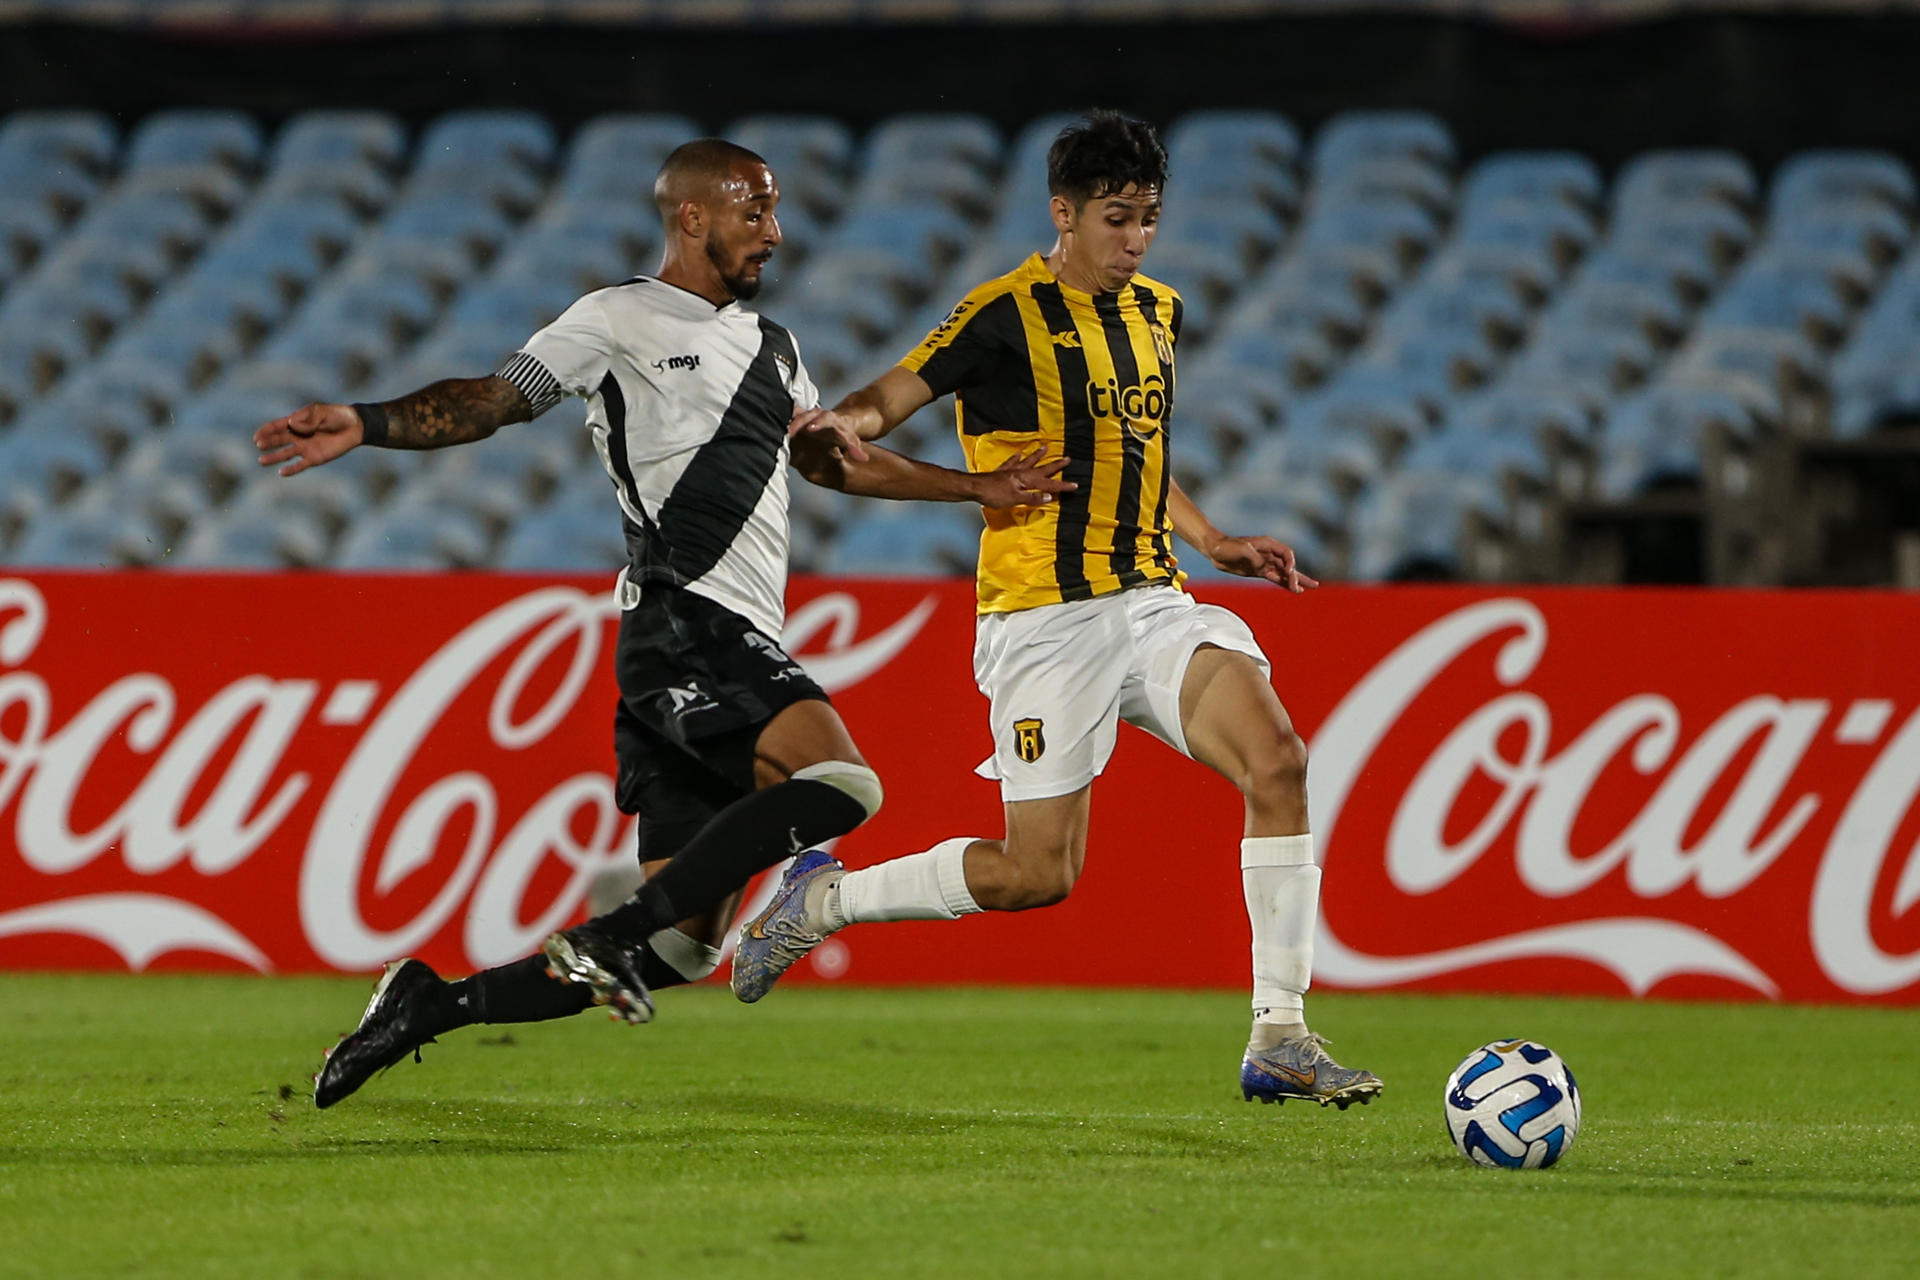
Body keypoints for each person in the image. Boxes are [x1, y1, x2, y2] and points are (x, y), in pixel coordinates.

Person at [254, 139, 1068, 1109]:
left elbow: (830, 460)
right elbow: (491, 400)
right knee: (841, 782)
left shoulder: (776, 346)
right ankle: (602, 936)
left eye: (774, 210)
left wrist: (974, 487)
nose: (775, 230)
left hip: (717, 641)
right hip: (685, 619)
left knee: (679, 946)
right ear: (692, 216)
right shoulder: (618, 315)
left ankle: (432, 1002)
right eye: (754, 209)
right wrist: (368, 418)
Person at [728, 110, 1382, 1110]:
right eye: (1117, 218)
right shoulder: (1000, 315)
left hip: (1158, 600)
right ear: (1063, 213)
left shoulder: (1159, 310)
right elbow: (884, 400)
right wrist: (842, 426)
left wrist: (1213, 542)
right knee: (1037, 873)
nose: (1135, 240)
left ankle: (1280, 1032)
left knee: (1280, 758)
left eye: (1150, 219)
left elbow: (1135, 457)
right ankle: (822, 897)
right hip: (1044, 619)